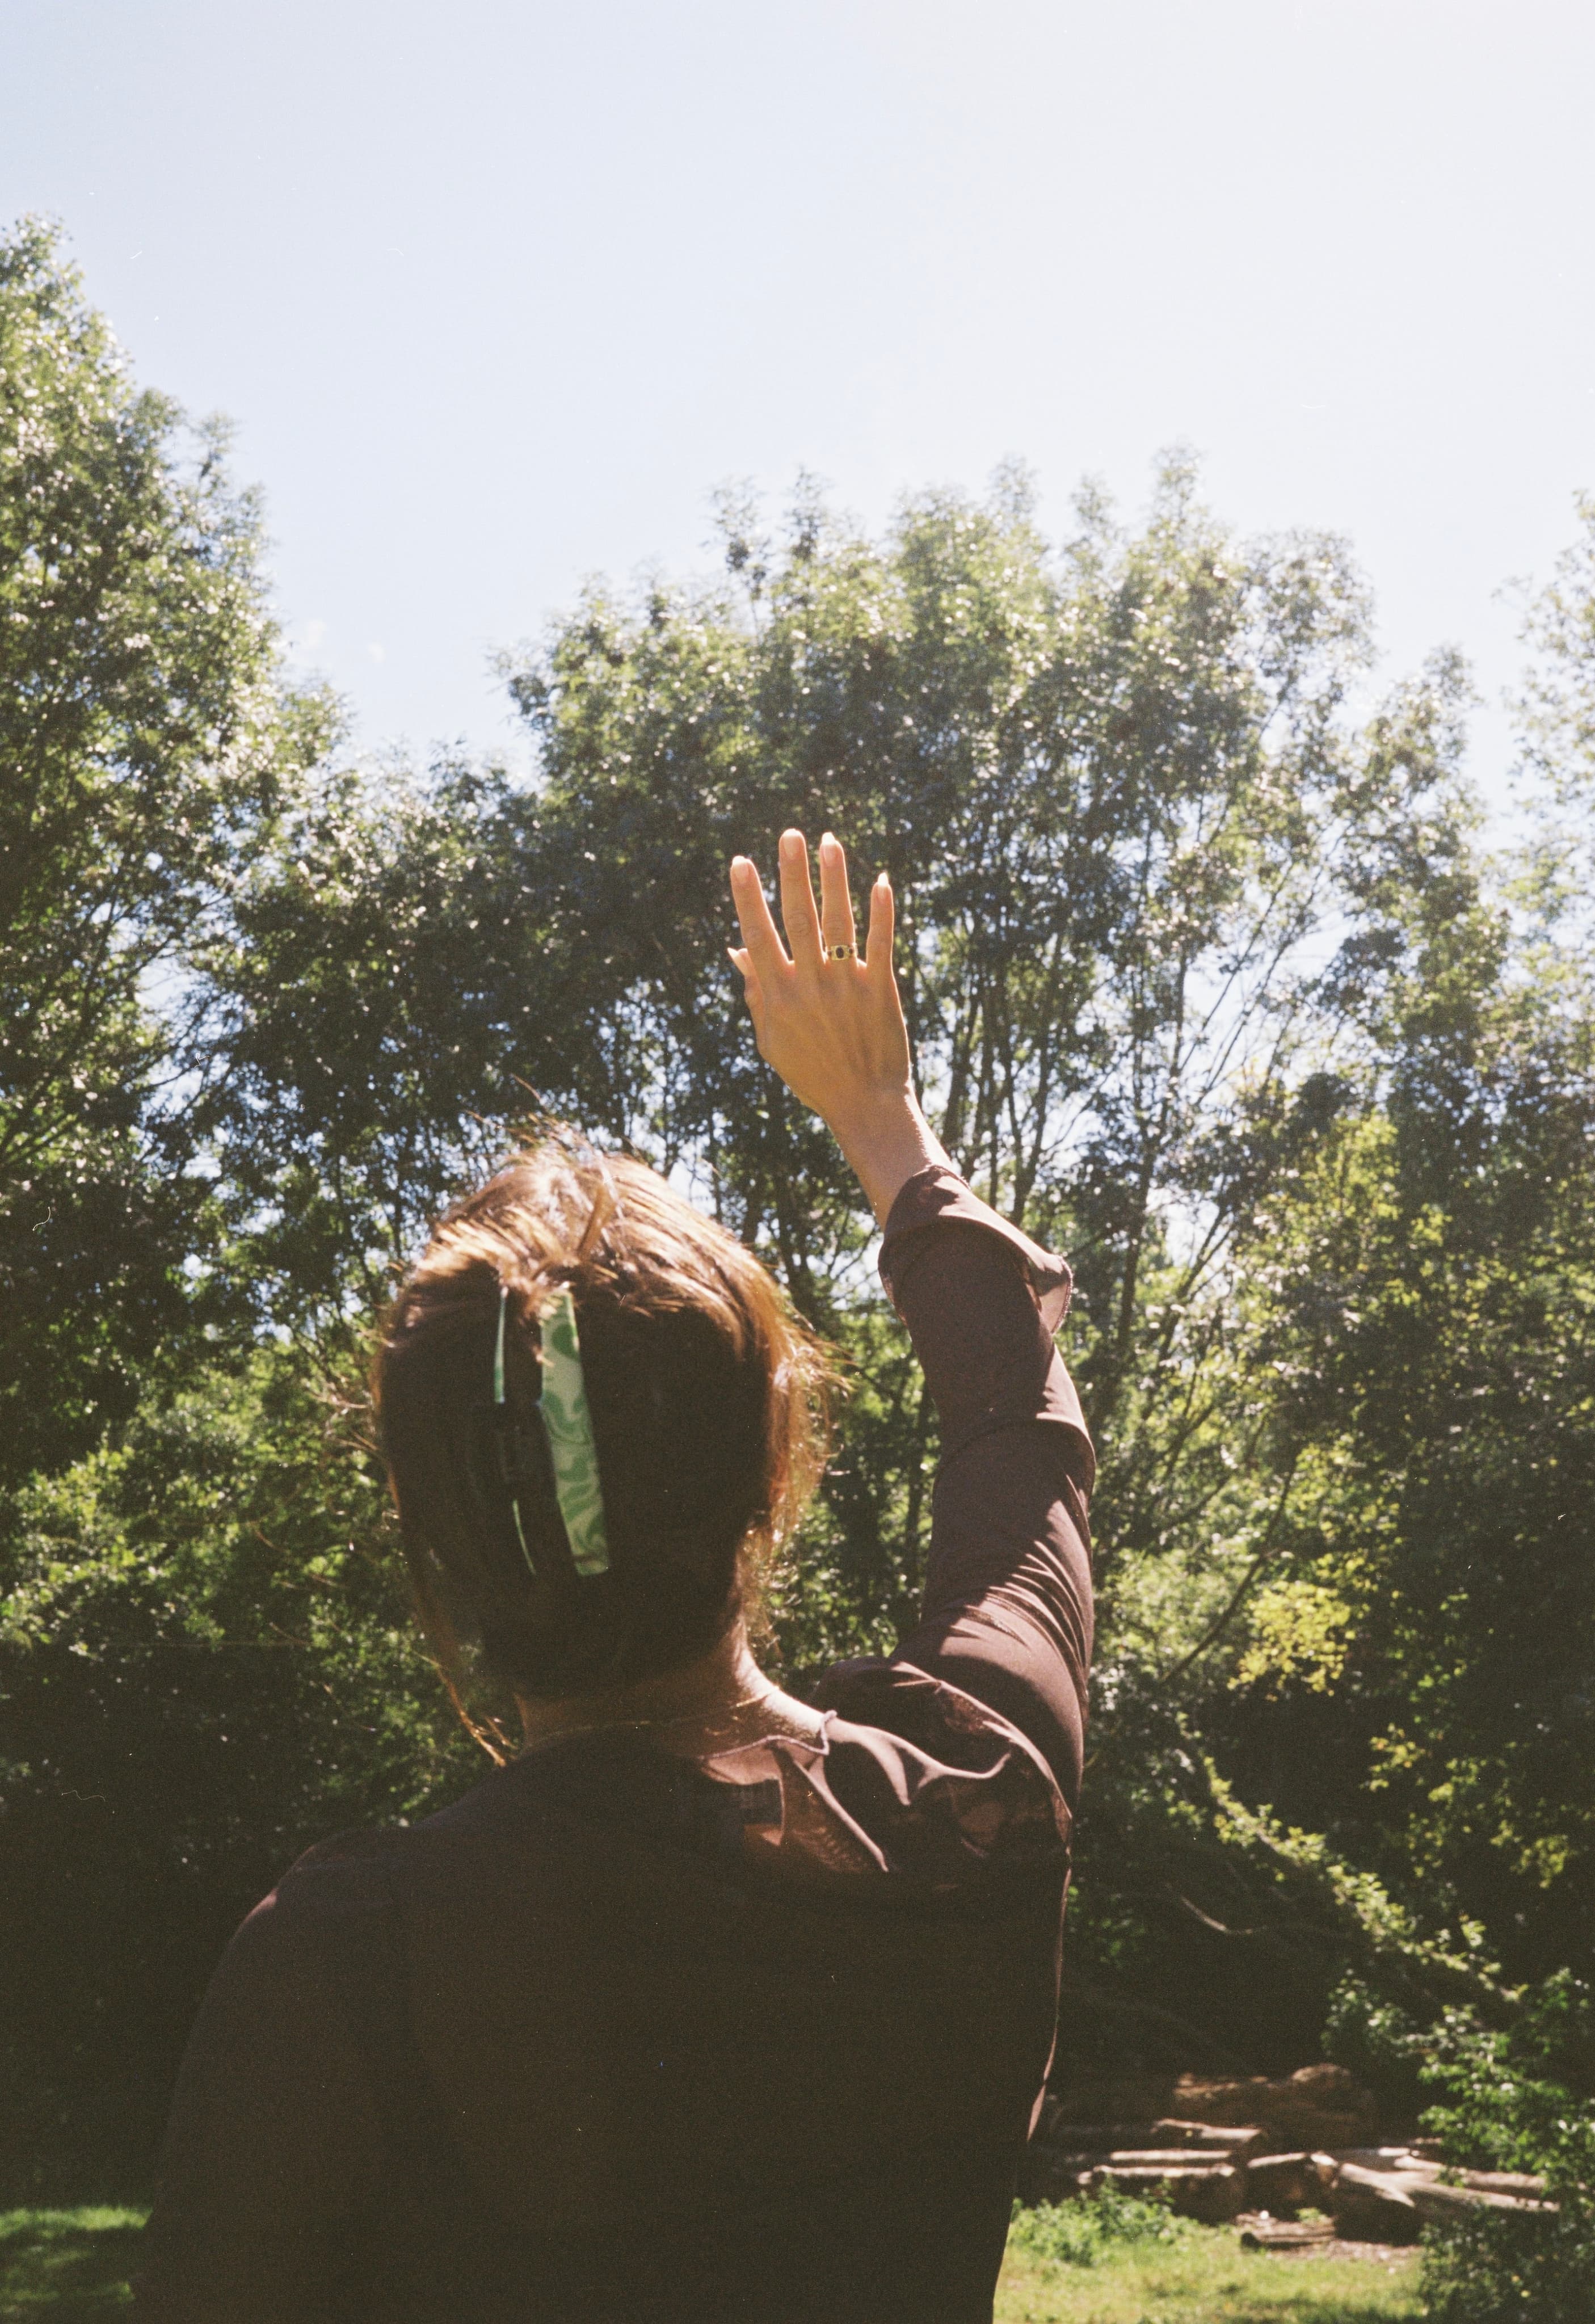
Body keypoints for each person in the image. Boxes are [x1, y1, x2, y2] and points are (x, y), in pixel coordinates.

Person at [133, 829, 1095, 2323]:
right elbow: (1018, 1448)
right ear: (778, 1469)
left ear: (435, 1543)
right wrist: (886, 1125)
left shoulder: (341, 1972)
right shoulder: (977, 1811)